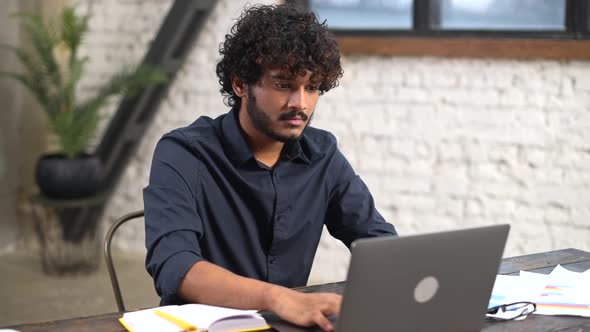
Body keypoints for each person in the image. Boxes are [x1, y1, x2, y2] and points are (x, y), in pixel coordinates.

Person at [143, 4, 397, 331]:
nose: (300, 103)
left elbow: (377, 242)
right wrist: (279, 298)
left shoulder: (322, 154)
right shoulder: (184, 153)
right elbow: (175, 265)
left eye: (312, 87)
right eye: (283, 85)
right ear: (240, 84)